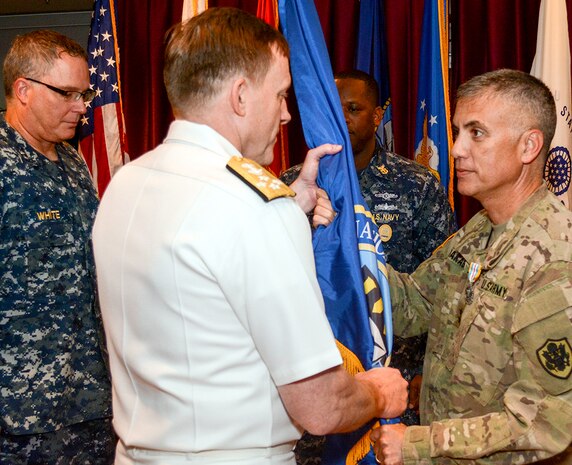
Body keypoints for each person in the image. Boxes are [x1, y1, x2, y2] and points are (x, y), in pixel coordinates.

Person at [92, 8, 408, 465]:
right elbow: (320, 405)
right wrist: (379, 394)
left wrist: (288, 213)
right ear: (240, 96)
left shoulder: (126, 183)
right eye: (280, 95)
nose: (285, 115)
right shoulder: (256, 208)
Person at [372, 69, 572, 465]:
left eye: (476, 133)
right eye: (457, 131)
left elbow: (547, 422)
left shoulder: (555, 258)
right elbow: (414, 305)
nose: (457, 148)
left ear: (529, 145)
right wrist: (347, 243)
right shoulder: (481, 227)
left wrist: (420, 444)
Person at [281, 70, 456, 464]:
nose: (342, 118)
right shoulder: (293, 185)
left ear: (377, 117)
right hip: (317, 377)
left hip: (396, 382)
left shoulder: (417, 184)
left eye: (354, 109)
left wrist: (430, 369)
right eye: (334, 109)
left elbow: (446, 288)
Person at [0, 30, 115, 463]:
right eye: (67, 93)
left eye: (84, 93)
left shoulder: (72, 160)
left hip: (89, 400)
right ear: (23, 90)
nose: (82, 106)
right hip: (20, 416)